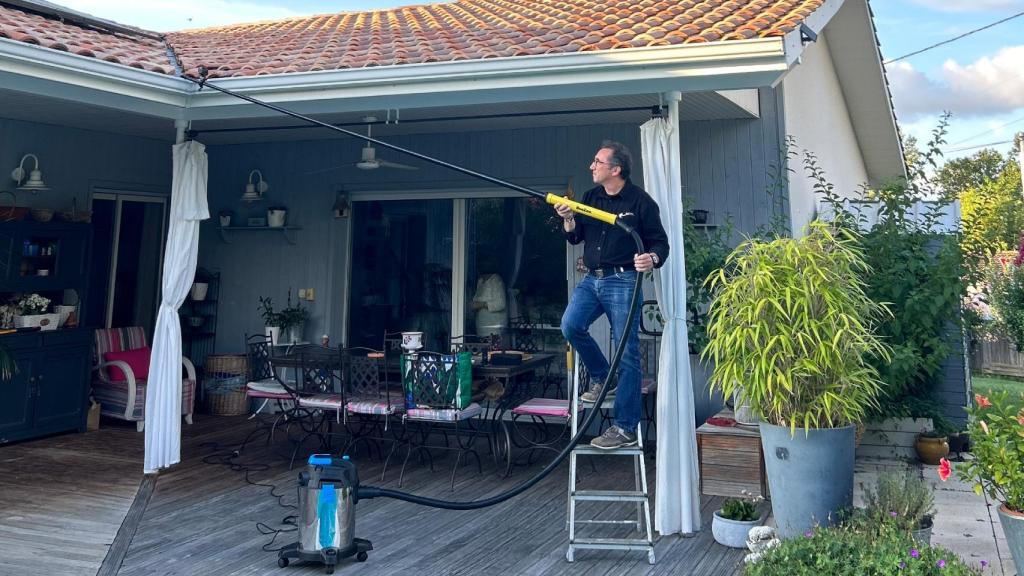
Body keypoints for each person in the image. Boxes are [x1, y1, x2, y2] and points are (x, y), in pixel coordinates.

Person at [555, 141, 669, 450]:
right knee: (570, 326)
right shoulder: (591, 197)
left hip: (623, 281)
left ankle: (625, 427)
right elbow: (576, 236)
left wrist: (651, 258)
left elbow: (660, 243)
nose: (591, 166)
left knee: (626, 352)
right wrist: (568, 218)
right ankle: (605, 377)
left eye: (597, 162)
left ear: (615, 169)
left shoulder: (641, 202)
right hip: (592, 279)